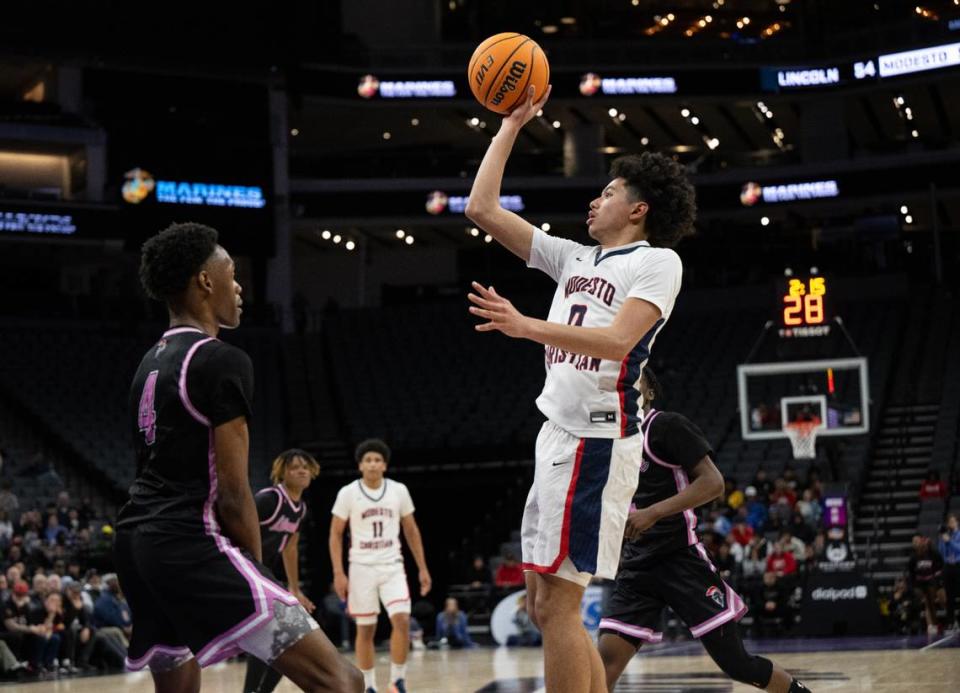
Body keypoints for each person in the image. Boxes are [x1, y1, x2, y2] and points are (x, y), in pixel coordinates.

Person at [465, 84, 692, 693]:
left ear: (639, 209)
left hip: (595, 440)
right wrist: (511, 125)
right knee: (544, 608)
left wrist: (524, 325)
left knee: (562, 607)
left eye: (609, 192)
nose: (595, 201)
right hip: (557, 436)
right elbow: (481, 208)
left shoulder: (656, 262)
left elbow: (620, 343)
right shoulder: (574, 259)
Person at [113, 223, 361, 693]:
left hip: (136, 546)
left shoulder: (149, 362)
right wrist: (259, 572)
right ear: (206, 281)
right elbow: (232, 489)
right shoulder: (221, 359)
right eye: (232, 273)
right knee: (343, 681)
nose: (240, 286)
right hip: (190, 541)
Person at [597, 370, 808, 693]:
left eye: (634, 377)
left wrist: (653, 512)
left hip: (680, 560)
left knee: (737, 664)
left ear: (650, 390)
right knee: (604, 664)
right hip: (637, 566)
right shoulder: (612, 439)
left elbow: (713, 484)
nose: (624, 382)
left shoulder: (666, 426)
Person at [329, 439, 431, 693]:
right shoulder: (348, 493)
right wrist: (338, 573)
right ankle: (369, 685)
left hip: (392, 564)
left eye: (377, 460)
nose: (373, 464)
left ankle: (397, 680)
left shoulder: (399, 490)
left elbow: (411, 530)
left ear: (384, 465)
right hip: (361, 566)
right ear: (360, 465)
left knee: (402, 620)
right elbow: (335, 534)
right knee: (366, 629)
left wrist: (423, 568)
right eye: (368, 460)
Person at [243, 448, 321, 693]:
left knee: (286, 638)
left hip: (263, 575)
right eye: (294, 467)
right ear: (282, 472)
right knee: (276, 634)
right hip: (244, 570)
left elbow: (290, 548)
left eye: (305, 467)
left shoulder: (300, 509)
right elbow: (236, 525)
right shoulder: (269, 499)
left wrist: (295, 588)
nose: (301, 471)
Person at [908, 535, 945, 636]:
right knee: (927, 604)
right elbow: (911, 572)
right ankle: (931, 626)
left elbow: (941, 562)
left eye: (917, 541)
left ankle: (939, 623)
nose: (916, 543)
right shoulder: (913, 556)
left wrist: (937, 574)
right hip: (920, 583)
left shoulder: (932, 553)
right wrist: (914, 585)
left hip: (932, 581)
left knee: (934, 603)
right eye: (914, 541)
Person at [938, 513, 960, 632]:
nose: (950, 524)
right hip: (948, 567)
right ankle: (951, 623)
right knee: (949, 597)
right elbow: (942, 552)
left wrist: (950, 541)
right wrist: (943, 540)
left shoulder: (959, 535)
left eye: (953, 521)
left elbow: (959, 549)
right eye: (949, 522)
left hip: (958, 566)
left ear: (957, 523)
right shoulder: (946, 535)